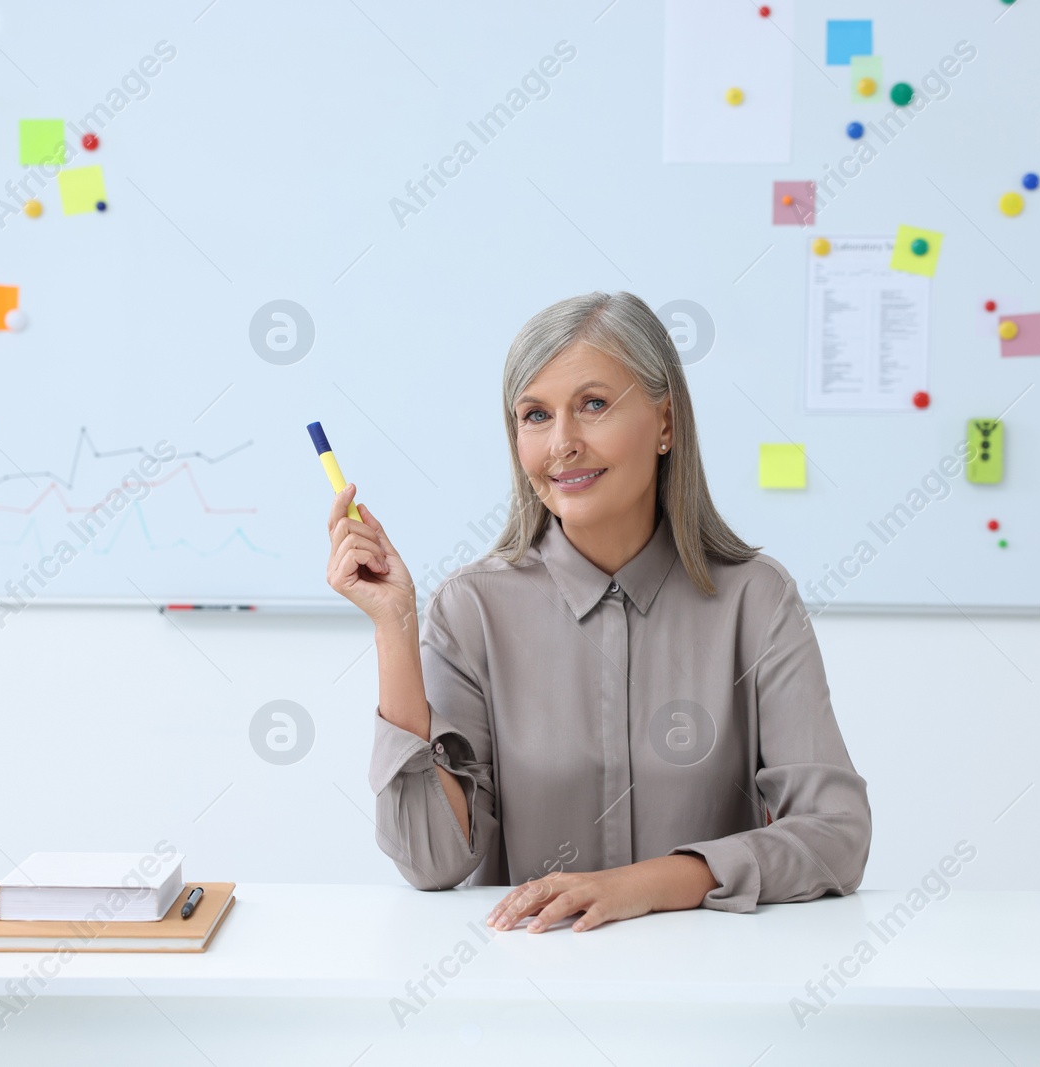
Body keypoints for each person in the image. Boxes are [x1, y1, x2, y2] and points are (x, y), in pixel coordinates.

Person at [326, 291, 871, 933]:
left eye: (592, 405)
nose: (563, 444)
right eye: (534, 415)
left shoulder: (756, 600)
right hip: (529, 989)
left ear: (666, 424)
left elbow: (837, 837)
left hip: (712, 994)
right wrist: (395, 626)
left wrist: (650, 884)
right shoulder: (472, 610)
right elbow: (432, 860)